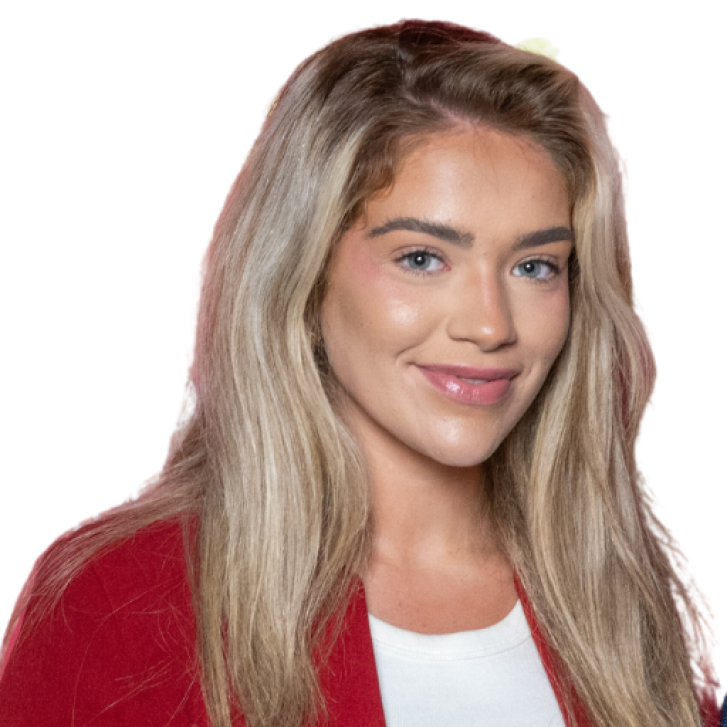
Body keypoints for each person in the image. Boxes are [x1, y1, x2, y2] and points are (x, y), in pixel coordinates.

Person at [0, 19, 721, 727]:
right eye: (422, 258)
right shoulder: (118, 601)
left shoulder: (608, 590)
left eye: (534, 266)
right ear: (304, 271)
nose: (490, 325)